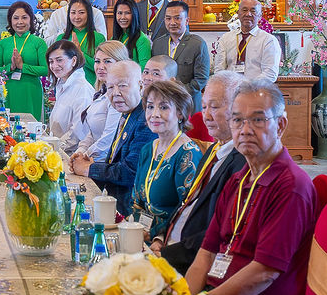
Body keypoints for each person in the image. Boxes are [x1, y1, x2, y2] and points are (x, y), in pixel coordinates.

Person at [185, 83, 318, 295]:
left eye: (257, 120)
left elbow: (263, 273)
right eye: (237, 120)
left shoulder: (291, 186)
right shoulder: (238, 179)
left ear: (280, 125)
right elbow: (206, 254)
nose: (245, 130)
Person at [155, 75, 248, 274]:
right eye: (204, 107)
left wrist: (166, 256)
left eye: (214, 107)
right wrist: (160, 237)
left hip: (192, 263)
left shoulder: (244, 162)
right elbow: (188, 203)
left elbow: (218, 232)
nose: (206, 116)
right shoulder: (215, 149)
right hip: (170, 246)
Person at [127, 78, 204, 241]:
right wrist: (133, 228)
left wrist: (155, 235)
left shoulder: (187, 154)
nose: (154, 114)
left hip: (168, 240)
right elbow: (137, 200)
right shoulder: (149, 148)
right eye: (150, 107)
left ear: (180, 113)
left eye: (163, 107)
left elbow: (185, 211)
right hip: (142, 233)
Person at [80, 61, 157, 216]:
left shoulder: (146, 120)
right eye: (110, 87)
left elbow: (129, 172)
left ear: (141, 86)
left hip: (132, 211)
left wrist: (89, 169)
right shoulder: (127, 113)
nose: (115, 93)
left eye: (122, 85)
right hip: (114, 200)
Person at [149, 1, 210, 114]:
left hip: (188, 105)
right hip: (162, 105)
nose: (172, 22)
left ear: (186, 20)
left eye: (177, 18)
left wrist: (175, 93)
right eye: (168, 18)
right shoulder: (158, 43)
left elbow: (201, 79)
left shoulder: (197, 44)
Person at [0, 1, 50, 119]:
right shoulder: (3, 43)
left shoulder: (39, 42)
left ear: (31, 19)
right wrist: (10, 67)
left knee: (31, 126)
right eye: (15, 18)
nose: (20, 22)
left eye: (24, 17)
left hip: (31, 90)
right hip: (8, 90)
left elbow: (46, 69)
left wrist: (22, 66)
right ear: (10, 21)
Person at [221, 0, 282, 86]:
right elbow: (219, 70)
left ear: (260, 16)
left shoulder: (268, 40)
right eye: (244, 10)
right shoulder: (226, 38)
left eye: (253, 11)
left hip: (256, 93)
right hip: (230, 92)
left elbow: (270, 74)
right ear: (238, 13)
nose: (248, 14)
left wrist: (248, 87)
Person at [45, 41, 94, 142]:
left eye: (59, 60)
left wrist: (55, 148)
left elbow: (78, 133)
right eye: (51, 62)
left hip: (71, 152)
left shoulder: (82, 90)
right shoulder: (62, 83)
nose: (54, 66)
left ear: (74, 61)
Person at [51, 0, 103, 86]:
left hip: (90, 87)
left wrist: (80, 54)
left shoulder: (98, 38)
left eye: (81, 12)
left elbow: (100, 67)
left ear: (89, 14)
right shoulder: (61, 38)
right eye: (73, 13)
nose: (76, 17)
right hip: (66, 86)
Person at [37, 0, 106, 40]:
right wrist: (63, 33)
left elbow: (102, 41)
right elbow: (47, 41)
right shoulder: (57, 14)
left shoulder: (96, 13)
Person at [105, 0, 153, 72]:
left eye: (127, 13)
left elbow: (144, 70)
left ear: (134, 14)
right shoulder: (114, 38)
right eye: (119, 13)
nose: (123, 17)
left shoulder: (142, 40)